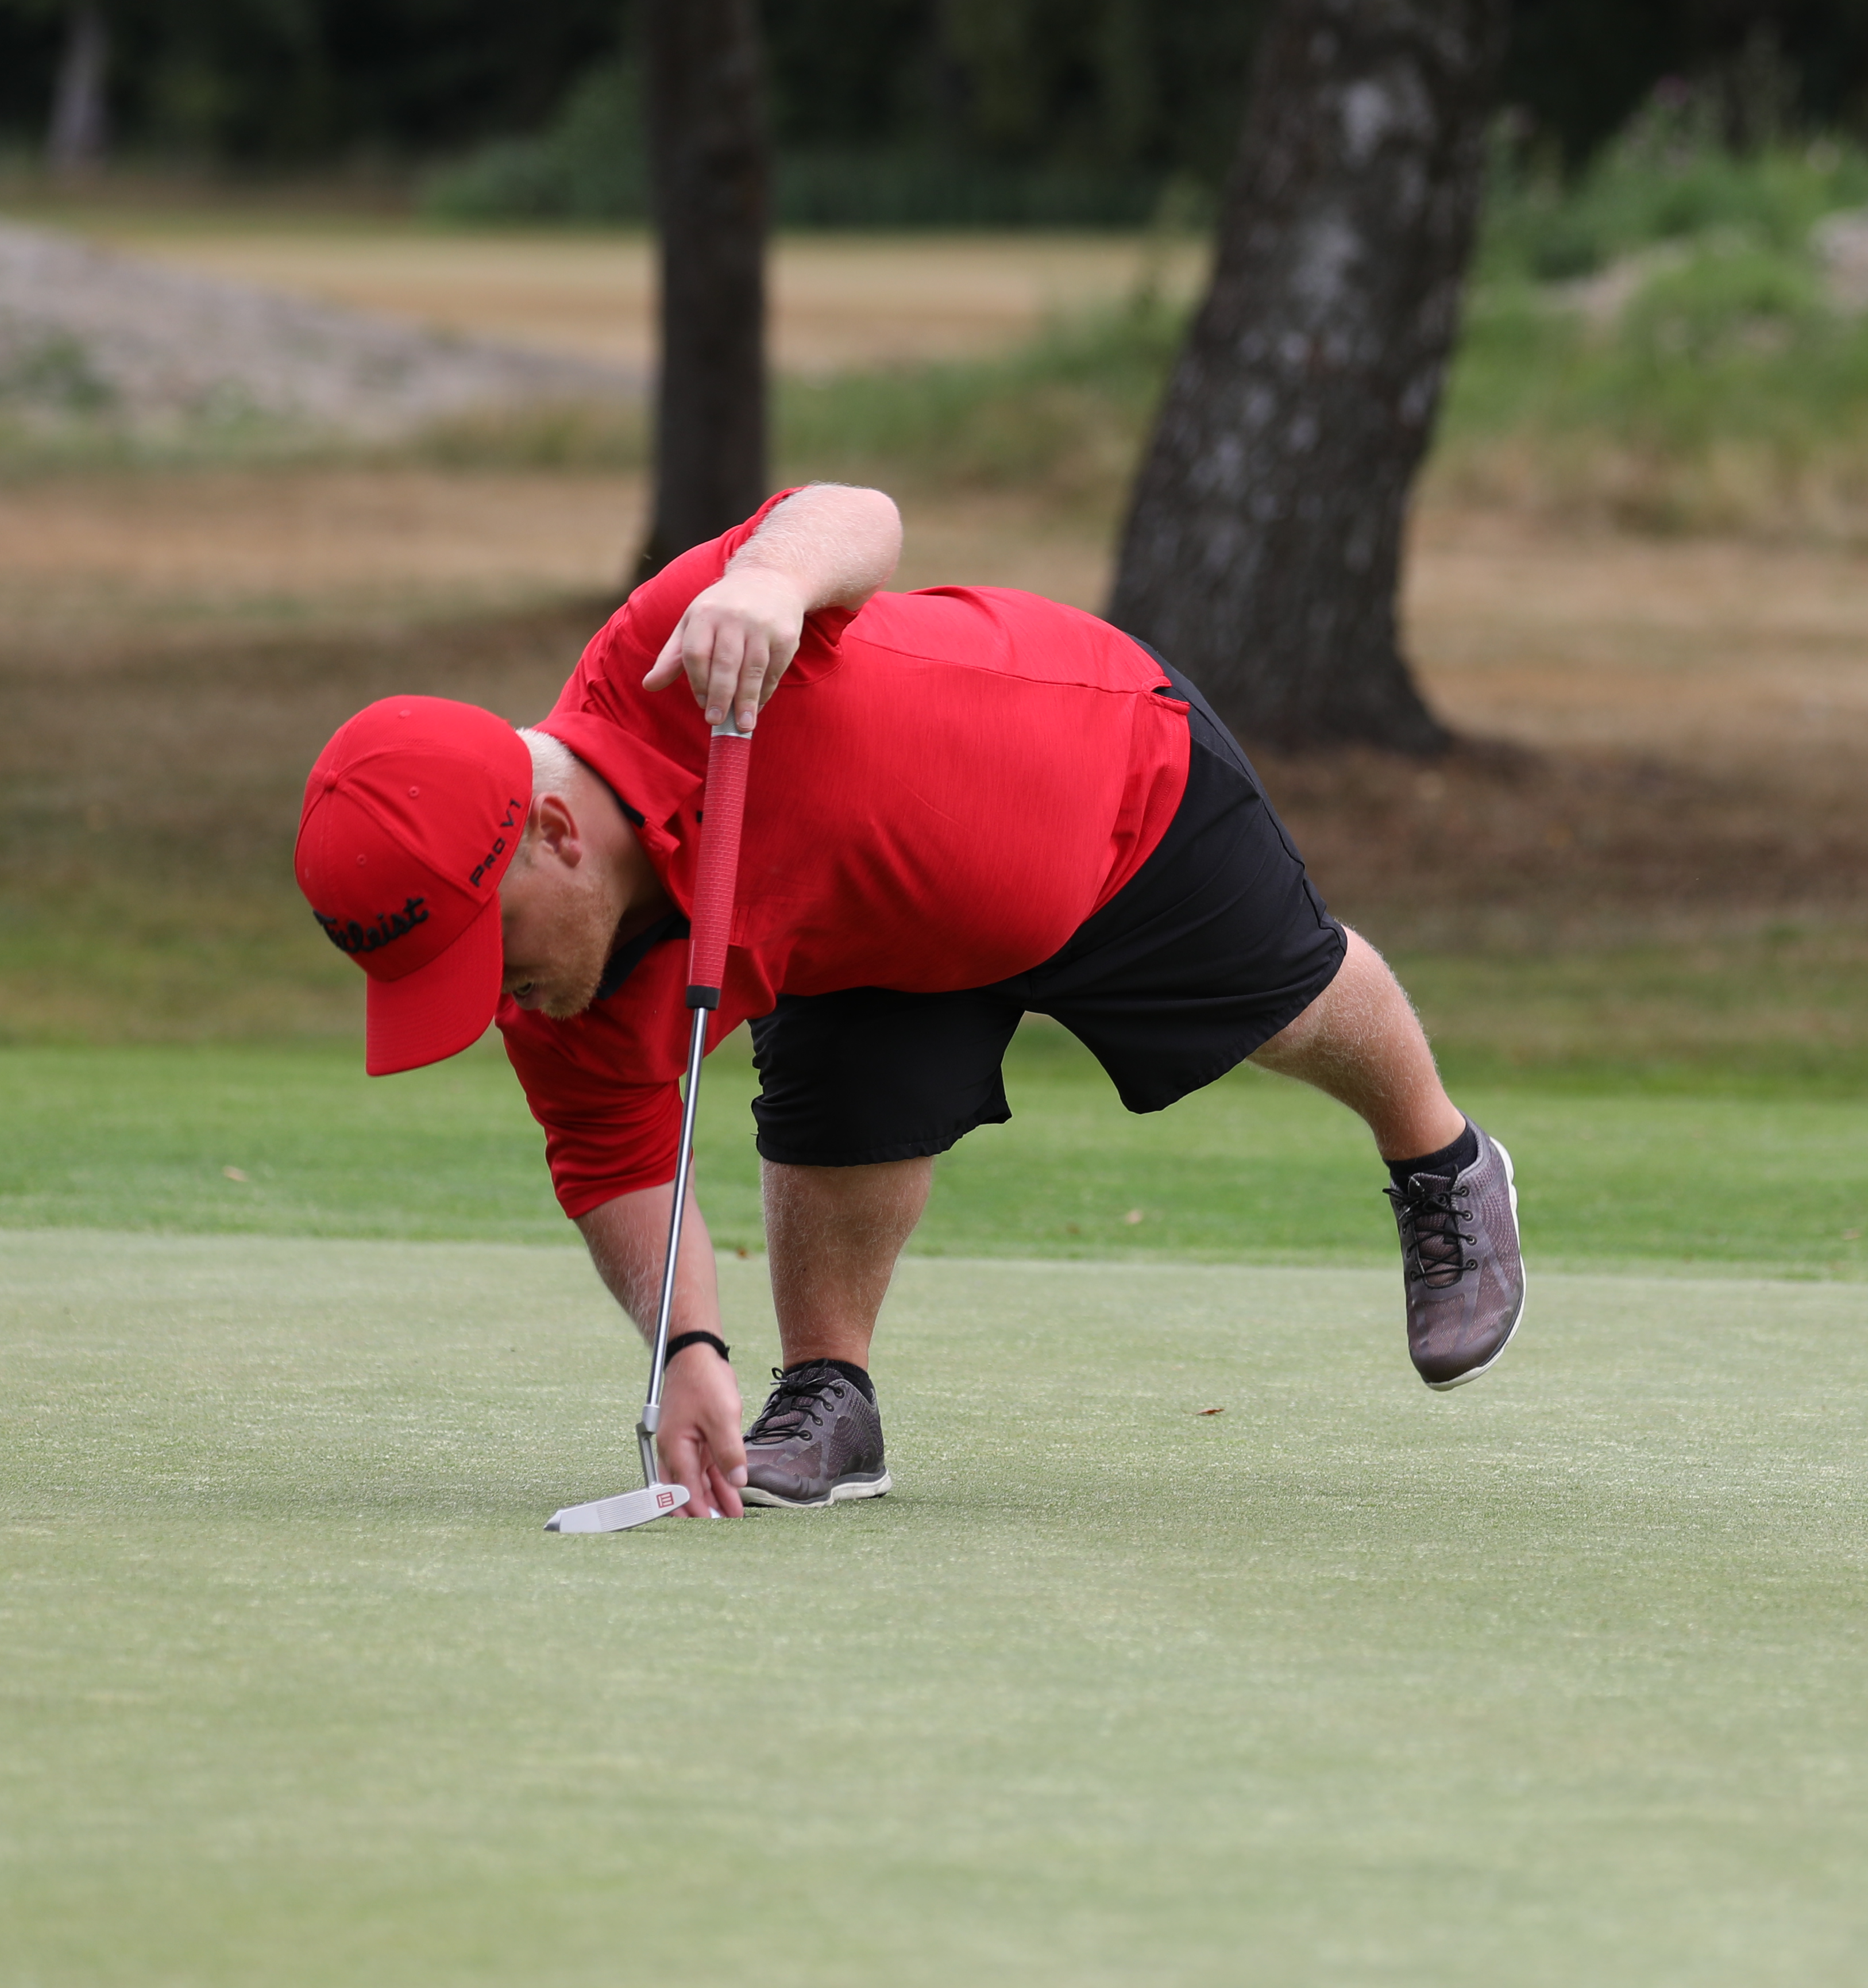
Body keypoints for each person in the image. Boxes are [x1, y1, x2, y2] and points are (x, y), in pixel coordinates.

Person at [293, 484, 1524, 1519]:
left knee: (1295, 1003)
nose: (496, 993)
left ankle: (1444, 1160)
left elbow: (855, 513)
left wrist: (772, 580)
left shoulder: (680, 647)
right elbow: (613, 1153)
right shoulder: (562, 984)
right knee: (836, 1116)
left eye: (483, 945)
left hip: (1109, 789)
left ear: (554, 830)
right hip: (873, 943)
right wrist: (685, 1352)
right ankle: (831, 1397)